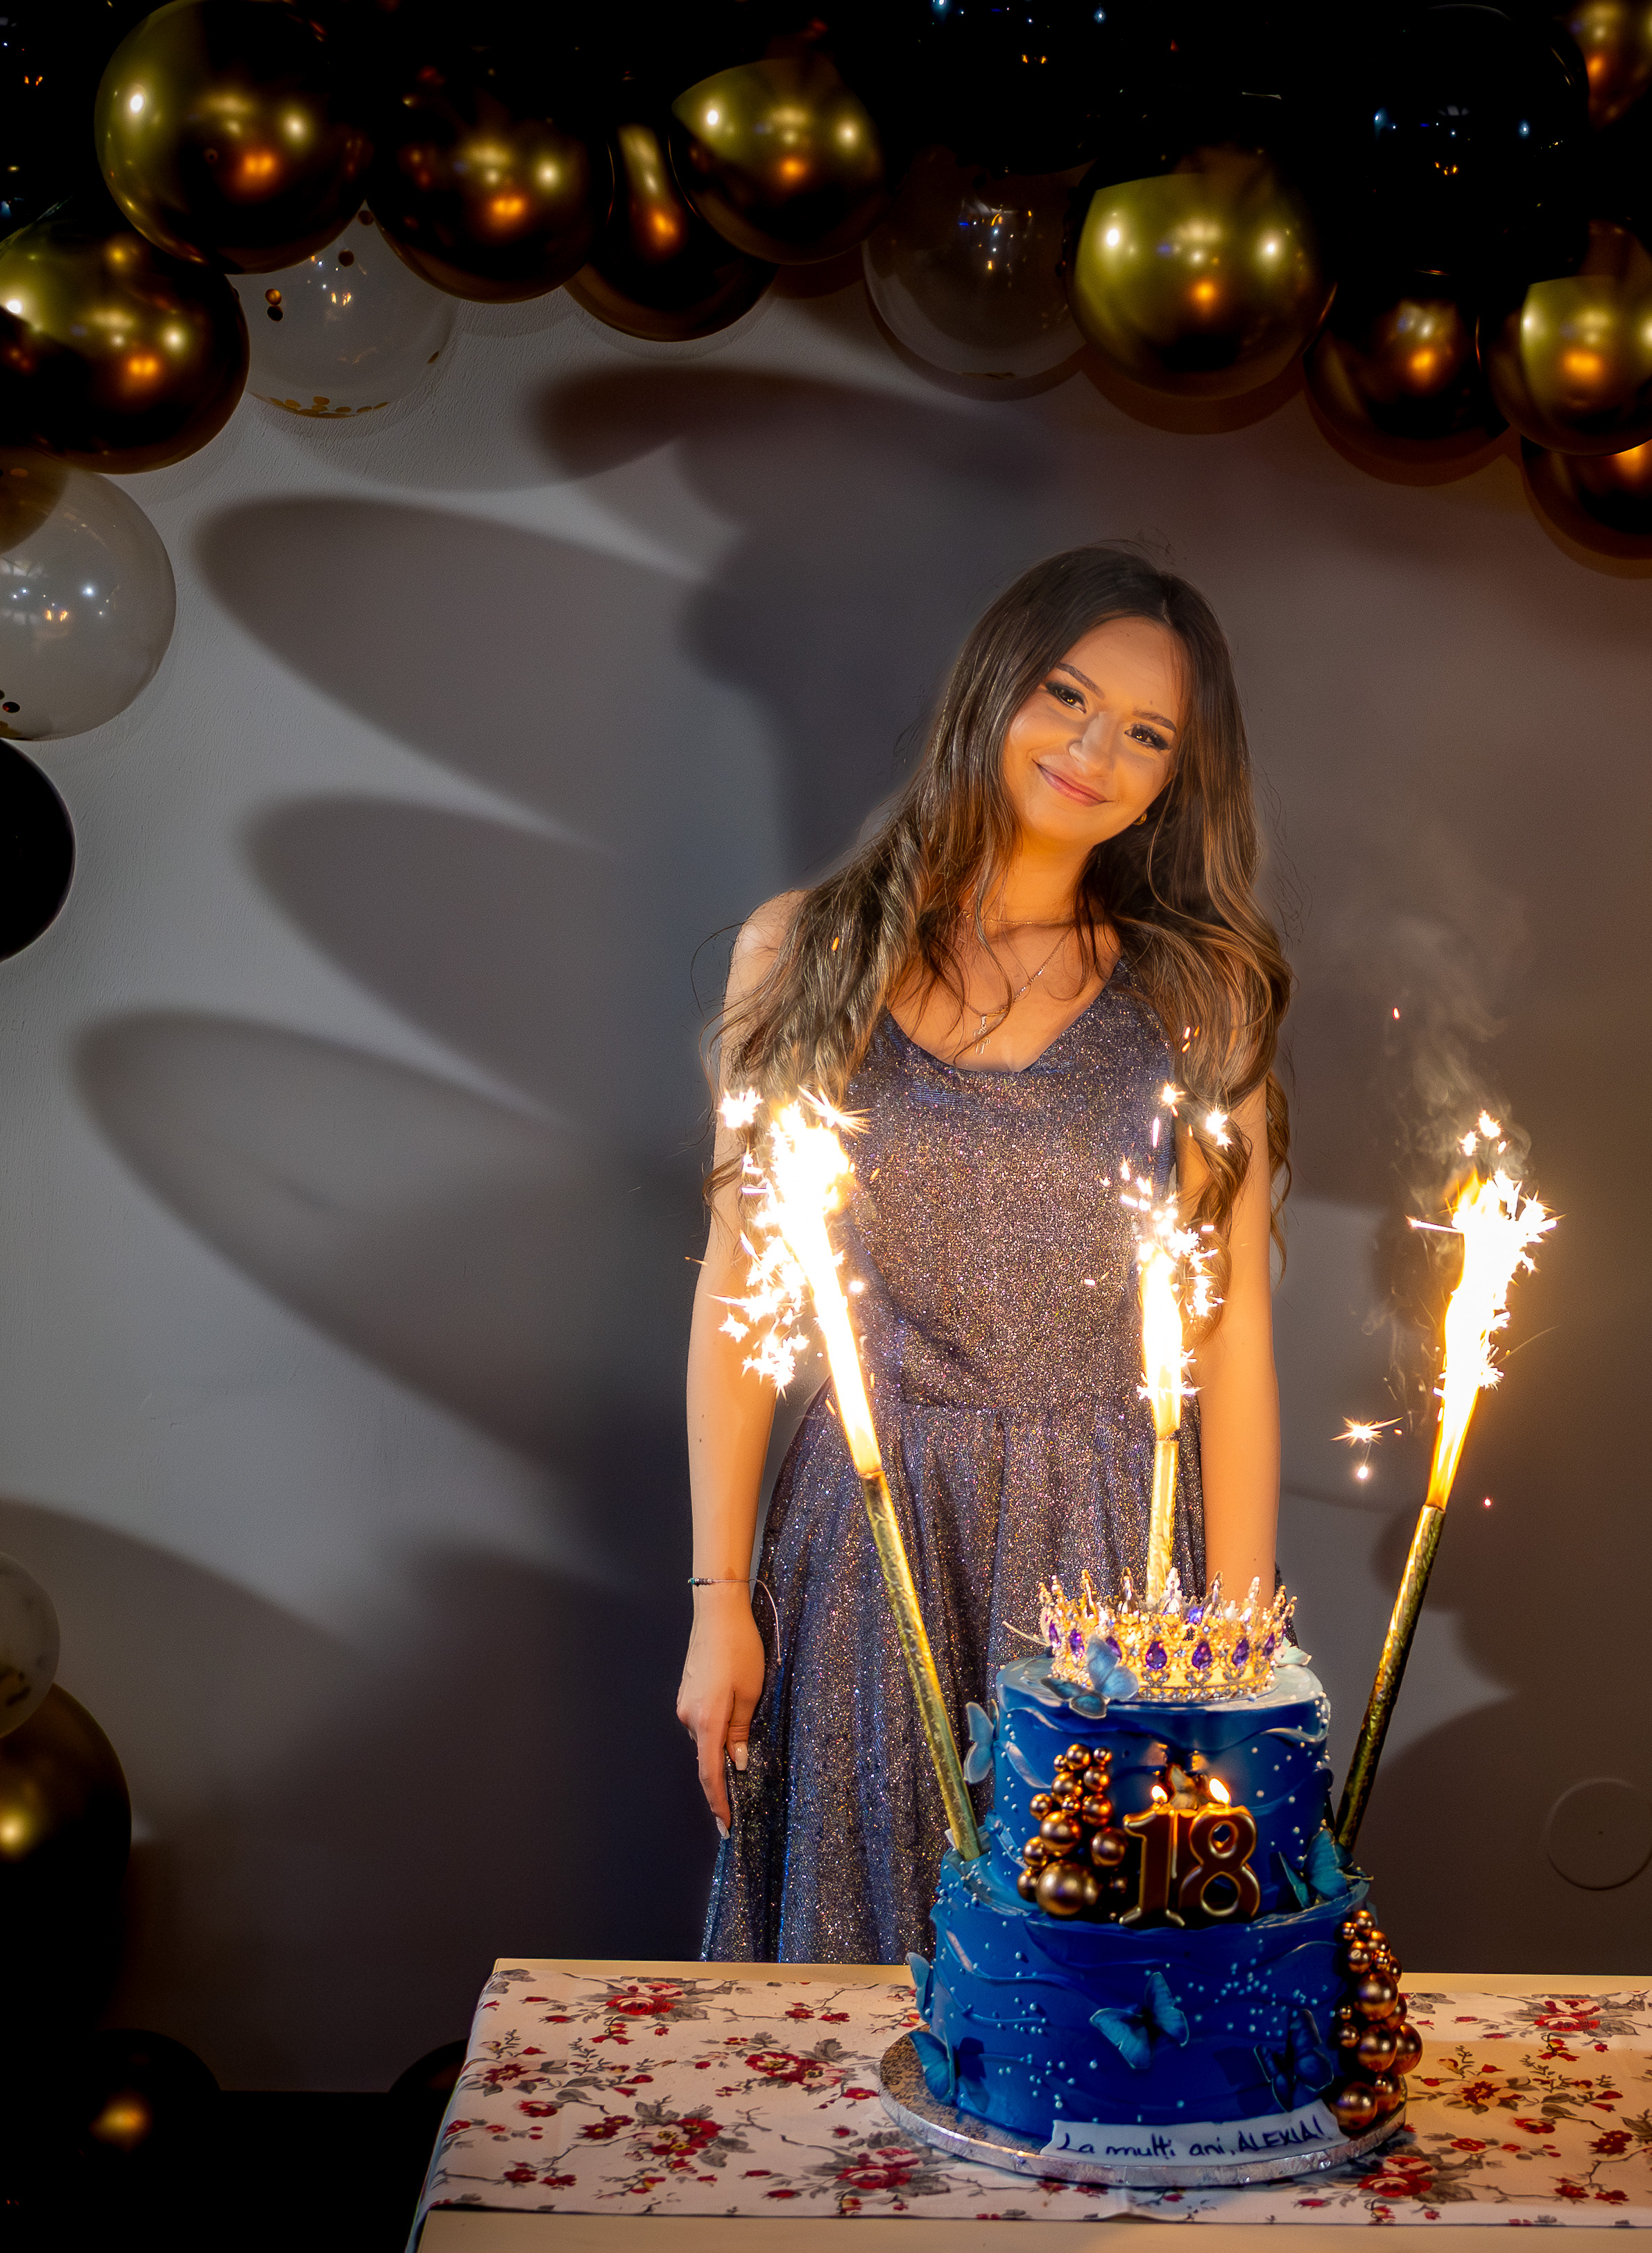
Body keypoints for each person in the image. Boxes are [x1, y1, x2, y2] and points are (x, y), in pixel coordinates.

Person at [679, 545, 1290, 1964]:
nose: (1094, 750)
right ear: (995, 687)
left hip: (1114, 1548)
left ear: (1176, 777)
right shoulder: (804, 950)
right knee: (858, 1965)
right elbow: (738, 1287)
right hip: (868, 1532)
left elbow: (1232, 1332)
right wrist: (718, 1600)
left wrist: (1234, 1654)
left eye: (1146, 734)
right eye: (1067, 696)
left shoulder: (1200, 995)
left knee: (1085, 1988)